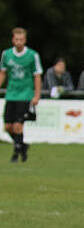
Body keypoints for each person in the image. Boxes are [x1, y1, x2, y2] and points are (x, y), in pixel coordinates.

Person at [1, 27, 43, 162]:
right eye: (16, 39)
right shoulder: (6, 54)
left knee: (18, 126)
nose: (19, 42)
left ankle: (16, 153)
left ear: (25, 40)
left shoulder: (32, 55)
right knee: (8, 127)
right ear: (13, 40)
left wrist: (36, 95)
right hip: (11, 94)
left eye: (21, 39)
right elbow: (3, 73)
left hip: (25, 94)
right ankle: (22, 146)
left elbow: (37, 76)